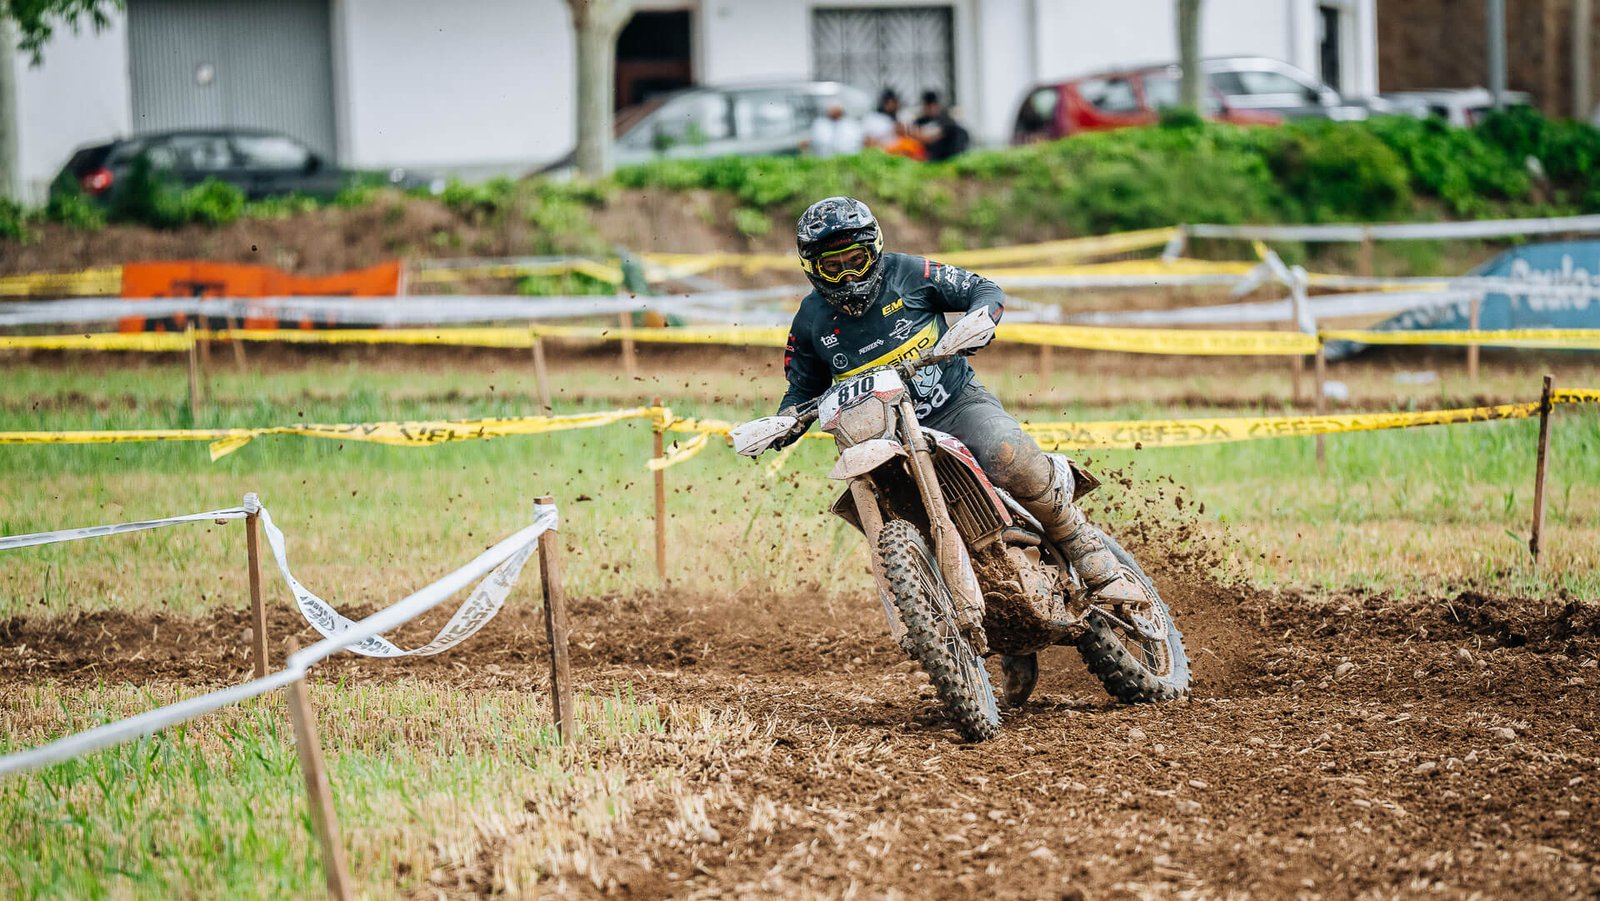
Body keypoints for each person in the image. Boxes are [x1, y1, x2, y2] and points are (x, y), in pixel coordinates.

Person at [771, 197, 1144, 677]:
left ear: (874, 251)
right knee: (882, 512)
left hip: (955, 406)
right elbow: (801, 390)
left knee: (1007, 455)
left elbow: (983, 289)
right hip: (883, 439)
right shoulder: (810, 321)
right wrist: (782, 423)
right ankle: (983, 631)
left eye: (855, 260)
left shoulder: (910, 273)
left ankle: (1089, 551)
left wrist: (979, 319)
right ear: (813, 269)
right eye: (833, 266)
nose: (847, 276)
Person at [863, 89, 927, 161]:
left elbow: (913, 133)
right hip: (884, 151)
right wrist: (891, 131)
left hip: (903, 151)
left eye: (894, 102)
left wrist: (904, 131)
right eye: (889, 102)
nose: (892, 105)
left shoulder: (902, 115)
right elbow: (868, 142)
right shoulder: (874, 118)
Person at [913, 90, 969, 161]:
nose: (932, 109)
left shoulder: (945, 119)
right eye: (929, 106)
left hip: (945, 151)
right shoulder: (920, 121)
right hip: (929, 153)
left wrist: (935, 134)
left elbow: (948, 130)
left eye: (934, 105)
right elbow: (919, 136)